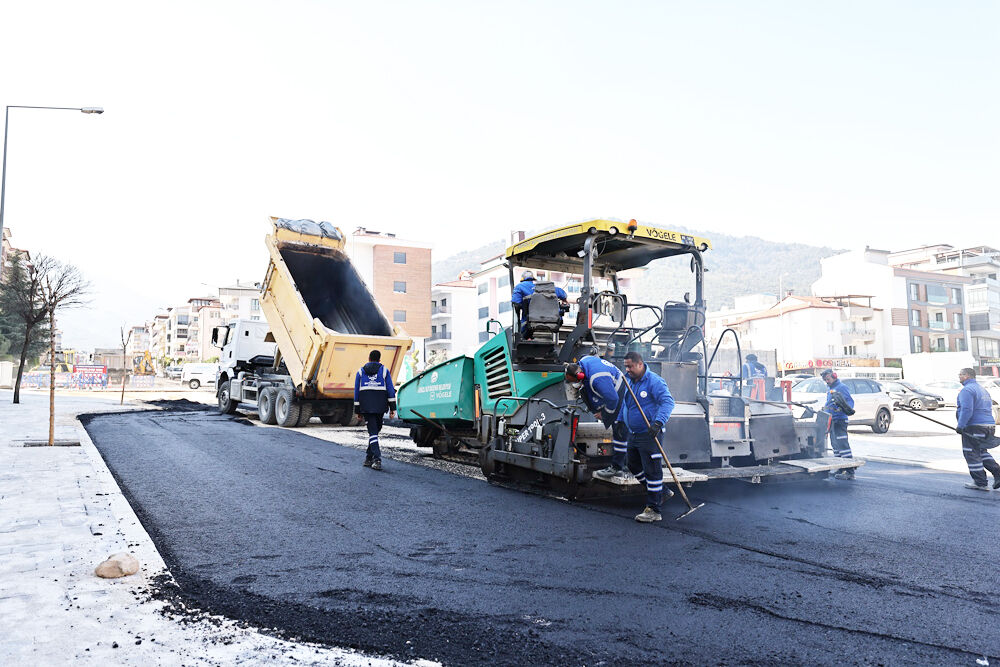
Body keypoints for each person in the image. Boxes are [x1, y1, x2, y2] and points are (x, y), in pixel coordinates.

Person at [617, 351, 676, 523]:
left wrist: (658, 423)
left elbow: (668, 402)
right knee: (632, 464)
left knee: (652, 470)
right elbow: (625, 404)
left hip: (650, 434)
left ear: (640, 364)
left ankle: (654, 509)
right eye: (625, 366)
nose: (627, 369)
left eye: (630, 366)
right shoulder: (629, 381)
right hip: (634, 434)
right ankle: (661, 492)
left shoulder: (654, 381)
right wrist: (621, 421)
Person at [564, 355, 629, 482]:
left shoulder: (597, 379)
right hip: (612, 389)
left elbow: (613, 399)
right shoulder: (584, 361)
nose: (574, 384)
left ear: (580, 376)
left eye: (575, 381)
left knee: (620, 431)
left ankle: (618, 468)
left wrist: (604, 414)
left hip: (622, 396)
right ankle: (625, 464)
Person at [955, 367, 1000, 491]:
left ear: (967, 376)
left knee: (971, 453)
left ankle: (980, 482)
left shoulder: (967, 390)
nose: (959, 376)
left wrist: (961, 425)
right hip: (988, 426)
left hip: (974, 426)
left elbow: (967, 409)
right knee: (981, 452)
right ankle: (998, 473)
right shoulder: (982, 390)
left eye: (961, 374)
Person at [353, 350, 397, 471]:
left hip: (366, 406)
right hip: (380, 406)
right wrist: (393, 408)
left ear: (369, 358)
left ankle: (368, 457)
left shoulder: (360, 372)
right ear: (379, 359)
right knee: (374, 431)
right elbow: (390, 390)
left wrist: (357, 410)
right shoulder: (384, 371)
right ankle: (377, 459)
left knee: (374, 432)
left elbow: (356, 392)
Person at [821, 369, 855, 480]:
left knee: (843, 445)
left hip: (840, 420)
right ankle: (840, 468)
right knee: (835, 445)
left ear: (834, 376)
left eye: (828, 379)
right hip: (832, 420)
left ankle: (849, 471)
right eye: (825, 380)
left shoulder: (841, 387)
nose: (827, 381)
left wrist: (843, 408)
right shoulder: (830, 389)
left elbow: (849, 402)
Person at [510, 270, 568, 336]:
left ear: (523, 279)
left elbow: (516, 304)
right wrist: (564, 300)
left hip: (529, 325)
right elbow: (563, 295)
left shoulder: (519, 287)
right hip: (553, 324)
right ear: (533, 278)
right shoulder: (548, 287)